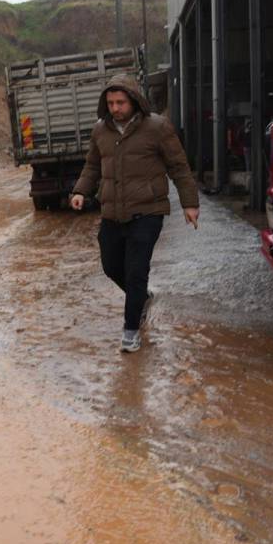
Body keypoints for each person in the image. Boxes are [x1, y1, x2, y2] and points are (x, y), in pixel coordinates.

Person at [69, 73, 199, 353]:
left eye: (121, 102)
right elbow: (92, 166)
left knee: (136, 270)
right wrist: (80, 191)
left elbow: (179, 167)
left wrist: (190, 204)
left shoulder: (157, 128)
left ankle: (131, 331)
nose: (115, 108)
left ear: (134, 100)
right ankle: (141, 298)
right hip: (112, 213)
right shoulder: (101, 130)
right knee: (111, 266)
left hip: (148, 212)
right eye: (110, 103)